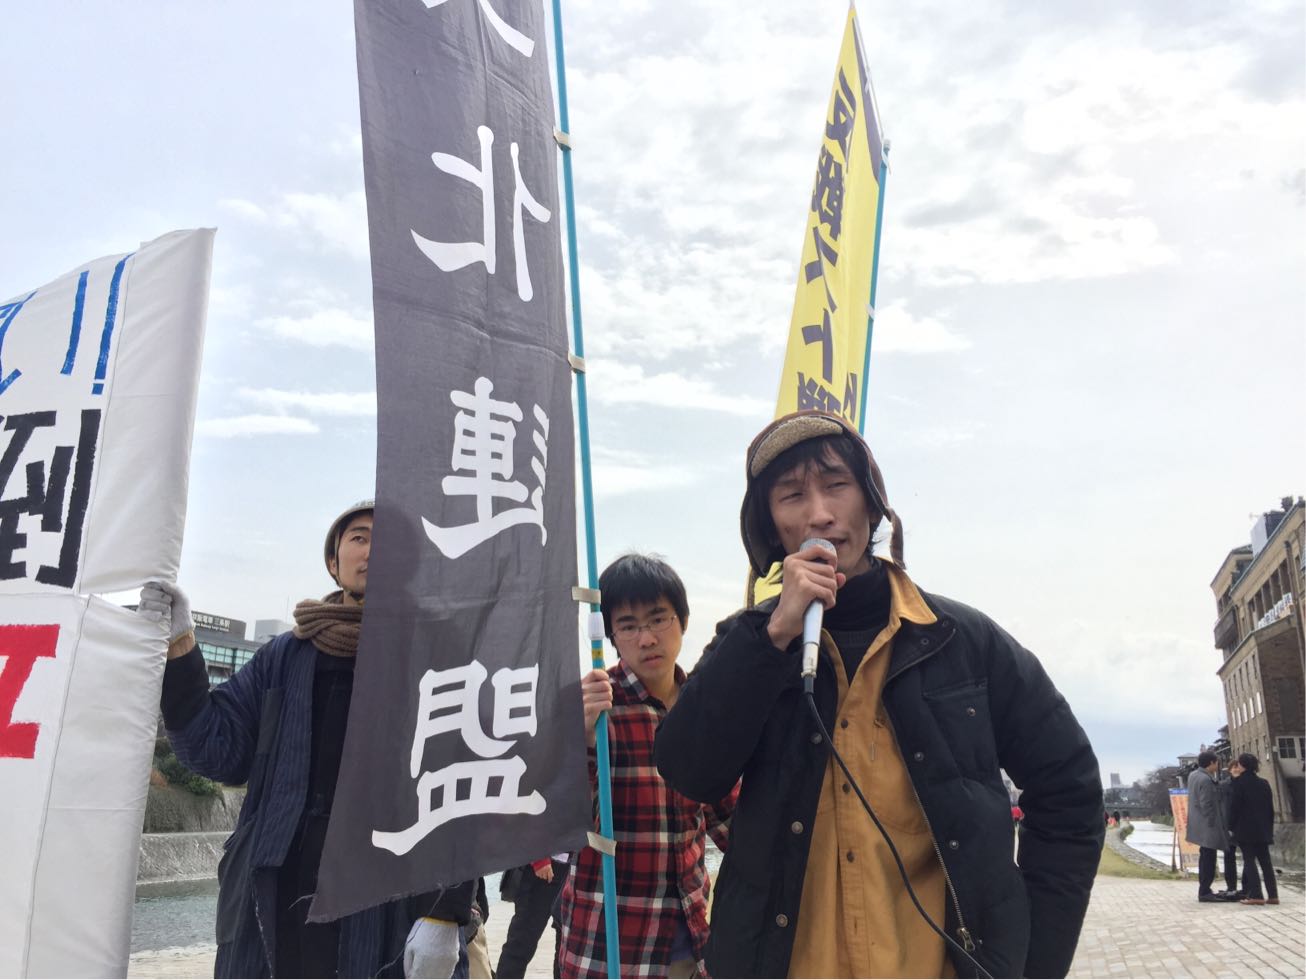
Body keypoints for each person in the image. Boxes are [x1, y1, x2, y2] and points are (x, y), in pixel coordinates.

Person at [654, 410, 1104, 979]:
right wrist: (772, 637)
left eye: (836, 485)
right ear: (771, 527)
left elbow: (1069, 787)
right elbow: (688, 772)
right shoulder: (749, 644)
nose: (819, 513)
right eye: (791, 495)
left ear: (872, 504)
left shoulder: (962, 640)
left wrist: (1034, 963)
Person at [139, 500, 473, 978]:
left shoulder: (438, 659)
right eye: (359, 538)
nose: (373, 550)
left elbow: (463, 787)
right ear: (334, 563)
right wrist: (181, 648)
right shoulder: (284, 655)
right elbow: (215, 749)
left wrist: (444, 912)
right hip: (279, 884)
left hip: (388, 898)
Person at [557, 554, 738, 978]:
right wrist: (582, 743)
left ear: (683, 621)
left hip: (692, 941)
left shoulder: (701, 706)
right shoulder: (593, 708)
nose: (647, 638)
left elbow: (728, 816)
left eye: (658, 619)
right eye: (628, 626)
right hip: (608, 947)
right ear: (611, 636)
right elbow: (562, 821)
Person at [494, 855, 568, 977]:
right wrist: (539, 859)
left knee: (567, 947)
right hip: (542, 869)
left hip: (575, 866)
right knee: (521, 942)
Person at [1229, 753, 1279, 906]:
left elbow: (1234, 808)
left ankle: (1257, 895)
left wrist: (1230, 826)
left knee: (1249, 861)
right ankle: (1273, 895)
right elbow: (1270, 808)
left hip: (1245, 829)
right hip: (1263, 828)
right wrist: (1269, 827)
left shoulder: (1239, 783)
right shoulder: (1264, 783)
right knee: (1266, 862)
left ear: (1242, 765)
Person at [1186, 751, 1232, 903]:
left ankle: (1205, 889)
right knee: (1209, 858)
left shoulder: (1193, 775)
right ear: (1211, 763)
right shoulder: (1206, 779)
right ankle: (1205, 891)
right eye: (1217, 763)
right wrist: (1213, 822)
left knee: (1204, 856)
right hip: (1207, 825)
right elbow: (1206, 804)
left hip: (1197, 823)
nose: (1217, 766)